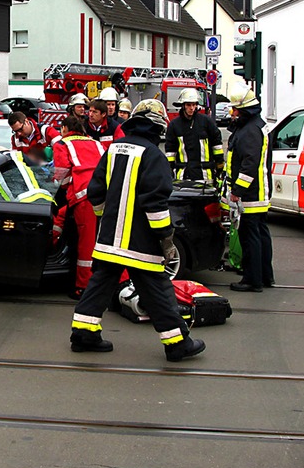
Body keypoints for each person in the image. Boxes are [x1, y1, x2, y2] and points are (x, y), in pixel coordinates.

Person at [69, 99, 205, 362]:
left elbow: (96, 192)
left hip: (109, 240)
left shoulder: (113, 149)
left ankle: (83, 334)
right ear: (158, 127)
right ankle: (177, 343)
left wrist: (105, 220)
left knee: (98, 286)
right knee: (157, 290)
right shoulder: (153, 155)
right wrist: (165, 238)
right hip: (141, 243)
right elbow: (155, 203)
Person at [225, 83, 274, 292]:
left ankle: (252, 280)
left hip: (251, 194)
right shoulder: (254, 125)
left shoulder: (250, 131)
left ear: (244, 109)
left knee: (249, 236)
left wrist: (237, 191)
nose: (232, 113)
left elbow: (249, 164)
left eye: (235, 109)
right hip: (259, 191)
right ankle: (264, 276)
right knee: (261, 234)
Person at [52, 115, 105, 298]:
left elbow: (61, 177)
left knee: (86, 244)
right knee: (105, 241)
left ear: (65, 129)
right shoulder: (95, 142)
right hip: (106, 193)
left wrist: (64, 189)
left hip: (84, 197)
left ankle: (83, 287)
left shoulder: (62, 144)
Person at [163, 87, 225, 183]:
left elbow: (217, 146)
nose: (192, 108)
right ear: (182, 105)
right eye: (188, 105)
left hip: (205, 176)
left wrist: (220, 168)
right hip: (183, 175)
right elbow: (170, 152)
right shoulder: (174, 125)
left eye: (194, 104)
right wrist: (169, 172)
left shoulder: (206, 122)